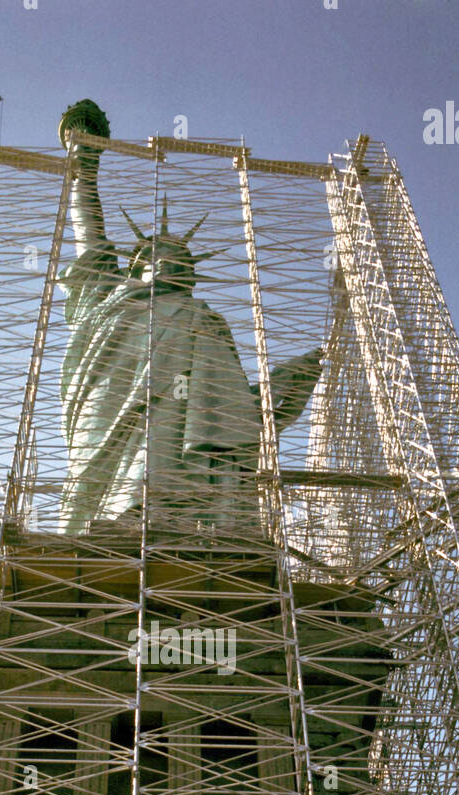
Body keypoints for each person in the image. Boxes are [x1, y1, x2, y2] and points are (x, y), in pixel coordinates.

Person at [57, 100, 321, 535]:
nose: (168, 263)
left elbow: (226, 411)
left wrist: (284, 386)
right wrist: (83, 162)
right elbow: (88, 231)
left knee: (162, 465)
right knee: (95, 486)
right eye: (155, 254)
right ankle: (111, 525)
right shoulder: (105, 295)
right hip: (106, 409)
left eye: (181, 261)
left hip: (172, 422)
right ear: (133, 264)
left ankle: (167, 522)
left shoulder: (205, 319)